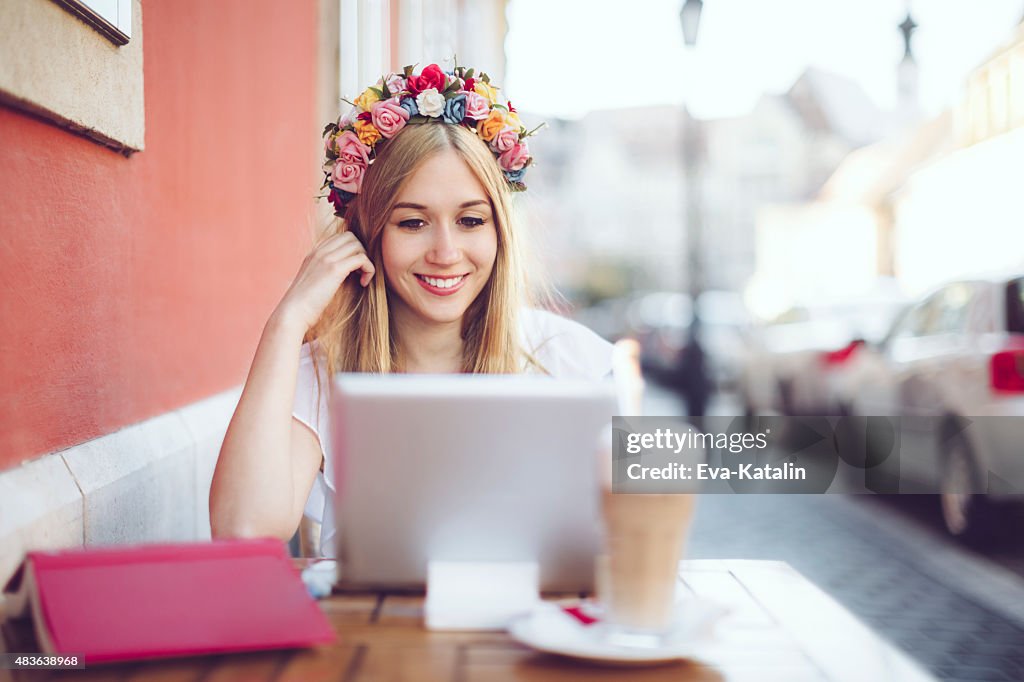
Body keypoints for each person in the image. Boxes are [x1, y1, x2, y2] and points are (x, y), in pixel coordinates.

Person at [209, 63, 613, 554]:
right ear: (368, 234)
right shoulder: (319, 376)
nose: (445, 252)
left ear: (498, 233)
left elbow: (660, 500)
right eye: (412, 223)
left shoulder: (571, 356)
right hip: (371, 628)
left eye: (469, 220)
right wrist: (287, 322)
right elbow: (243, 530)